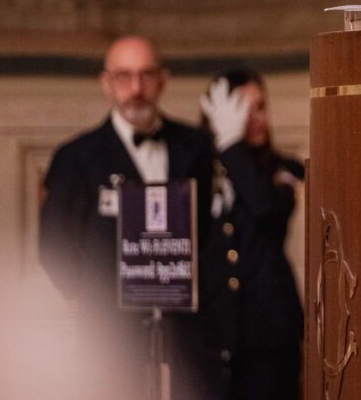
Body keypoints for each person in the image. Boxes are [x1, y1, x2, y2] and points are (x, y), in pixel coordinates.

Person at [38, 35, 215, 399]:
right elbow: (54, 244)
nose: (136, 88)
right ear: (106, 83)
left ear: (163, 79)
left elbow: (211, 234)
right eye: (124, 76)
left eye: (146, 75)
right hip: (109, 338)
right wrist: (91, 301)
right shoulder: (76, 157)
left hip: (186, 335)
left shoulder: (196, 147)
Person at [198, 68, 304, 400]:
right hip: (212, 334)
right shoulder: (198, 172)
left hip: (270, 335)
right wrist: (216, 148)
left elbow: (268, 210)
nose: (256, 118)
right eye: (243, 109)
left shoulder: (285, 170)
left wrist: (232, 147)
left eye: (260, 106)